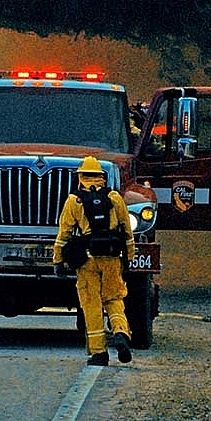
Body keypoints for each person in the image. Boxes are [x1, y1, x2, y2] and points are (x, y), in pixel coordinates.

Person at [53, 156, 135, 366]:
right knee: (114, 299)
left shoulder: (74, 200)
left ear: (81, 178)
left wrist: (58, 260)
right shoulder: (115, 198)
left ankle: (99, 353)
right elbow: (127, 231)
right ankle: (121, 332)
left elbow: (64, 234)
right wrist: (129, 257)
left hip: (87, 261)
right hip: (112, 258)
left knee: (92, 305)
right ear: (101, 178)